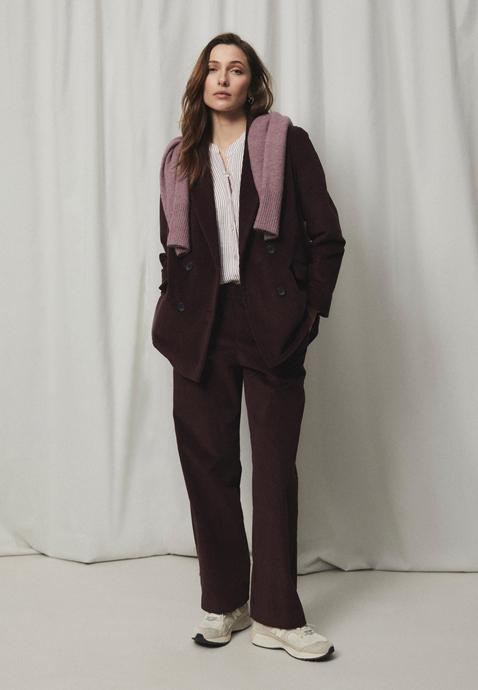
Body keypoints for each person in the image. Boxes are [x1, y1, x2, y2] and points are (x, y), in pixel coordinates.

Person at [152, 32, 346, 662]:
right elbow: (171, 248)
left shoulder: (286, 143)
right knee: (207, 466)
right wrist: (171, 303)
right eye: (213, 68)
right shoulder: (180, 156)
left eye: (235, 69)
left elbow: (327, 237)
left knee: (274, 467)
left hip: (271, 321)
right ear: (200, 81)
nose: (223, 78)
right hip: (199, 328)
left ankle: (278, 615)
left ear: (252, 82)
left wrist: (307, 313)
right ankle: (225, 601)